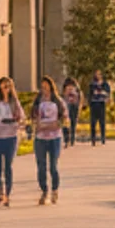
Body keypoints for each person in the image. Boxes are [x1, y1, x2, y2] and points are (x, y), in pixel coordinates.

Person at [0, 77, 25, 207]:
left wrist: (16, 122)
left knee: (8, 166)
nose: (6, 89)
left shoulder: (14, 102)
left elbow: (22, 118)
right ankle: (0, 187)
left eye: (8, 86)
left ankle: (7, 194)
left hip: (10, 136)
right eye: (3, 86)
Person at [29, 76, 65, 205]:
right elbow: (33, 118)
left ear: (51, 86)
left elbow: (63, 120)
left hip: (54, 138)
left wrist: (53, 125)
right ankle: (44, 191)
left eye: (46, 86)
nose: (44, 89)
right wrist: (36, 125)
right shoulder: (37, 102)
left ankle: (55, 189)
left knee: (53, 166)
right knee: (41, 166)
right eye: (42, 86)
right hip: (40, 139)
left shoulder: (57, 102)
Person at [87, 70, 111, 145]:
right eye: (96, 74)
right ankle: (93, 139)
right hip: (94, 104)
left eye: (99, 74)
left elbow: (108, 93)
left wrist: (103, 94)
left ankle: (103, 138)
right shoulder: (92, 84)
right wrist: (89, 102)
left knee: (102, 122)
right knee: (93, 123)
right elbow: (89, 94)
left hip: (101, 104)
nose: (98, 75)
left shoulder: (105, 84)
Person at [62, 79, 82, 146]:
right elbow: (63, 100)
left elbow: (80, 100)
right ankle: (66, 139)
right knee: (65, 124)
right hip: (66, 109)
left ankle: (72, 139)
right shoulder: (64, 92)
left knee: (73, 124)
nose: (70, 87)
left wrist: (78, 107)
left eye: (72, 85)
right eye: (68, 86)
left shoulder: (78, 92)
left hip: (74, 108)